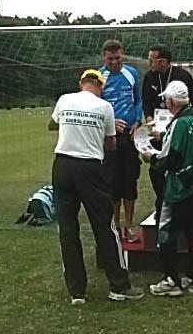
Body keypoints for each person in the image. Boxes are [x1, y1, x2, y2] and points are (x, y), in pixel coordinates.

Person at [49, 69, 144, 305]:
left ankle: (76, 291)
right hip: (90, 167)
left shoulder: (64, 99)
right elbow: (111, 144)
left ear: (81, 83)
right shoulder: (105, 107)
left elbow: (53, 123)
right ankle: (119, 286)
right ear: (100, 86)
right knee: (105, 226)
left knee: (68, 230)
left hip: (62, 166)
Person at [141, 80, 193, 297]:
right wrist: (163, 136)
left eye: (166, 99)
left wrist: (150, 157)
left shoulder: (179, 123)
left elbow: (171, 160)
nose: (165, 102)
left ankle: (172, 280)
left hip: (180, 186)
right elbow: (186, 142)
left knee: (166, 232)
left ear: (171, 101)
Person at [142, 44, 193, 225]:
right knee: (157, 170)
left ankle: (180, 206)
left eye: (151, 60)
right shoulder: (149, 77)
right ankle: (161, 204)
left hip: (178, 130)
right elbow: (146, 101)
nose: (149, 63)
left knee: (176, 165)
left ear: (163, 61)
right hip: (157, 130)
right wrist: (148, 117)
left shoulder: (182, 76)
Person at [99, 40, 143, 243]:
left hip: (129, 136)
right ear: (104, 57)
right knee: (112, 183)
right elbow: (95, 105)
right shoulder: (99, 77)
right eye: (110, 59)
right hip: (110, 138)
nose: (115, 62)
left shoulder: (131, 73)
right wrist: (110, 122)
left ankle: (129, 225)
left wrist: (137, 121)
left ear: (122, 54)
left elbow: (138, 100)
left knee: (130, 181)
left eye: (117, 58)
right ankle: (115, 225)